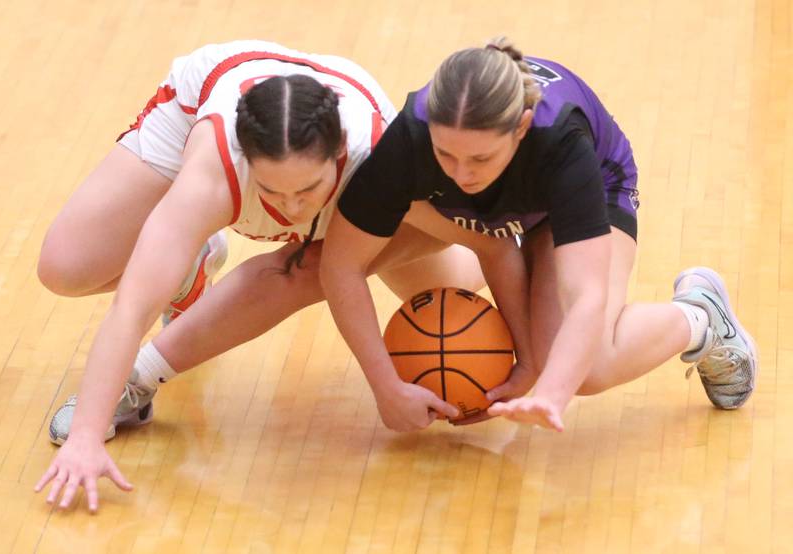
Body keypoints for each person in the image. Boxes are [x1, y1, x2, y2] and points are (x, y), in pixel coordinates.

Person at [34, 40, 483, 512]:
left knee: (443, 289)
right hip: (205, 99)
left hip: (354, 170)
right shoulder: (210, 171)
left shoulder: (381, 161)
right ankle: (182, 275)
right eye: (273, 191)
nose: (292, 210)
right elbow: (132, 308)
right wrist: (86, 435)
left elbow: (478, 239)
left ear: (338, 155)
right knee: (65, 268)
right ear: (245, 159)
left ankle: (154, 338)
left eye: (308, 190)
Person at [320, 37, 757, 433]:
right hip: (507, 202)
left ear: (522, 126)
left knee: (587, 367)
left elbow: (586, 295)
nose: (461, 173)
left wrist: (550, 391)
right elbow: (340, 266)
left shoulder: (560, 144)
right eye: (444, 154)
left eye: (480, 157)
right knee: (422, 280)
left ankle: (701, 318)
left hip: (591, 188)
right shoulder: (409, 138)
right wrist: (385, 387)